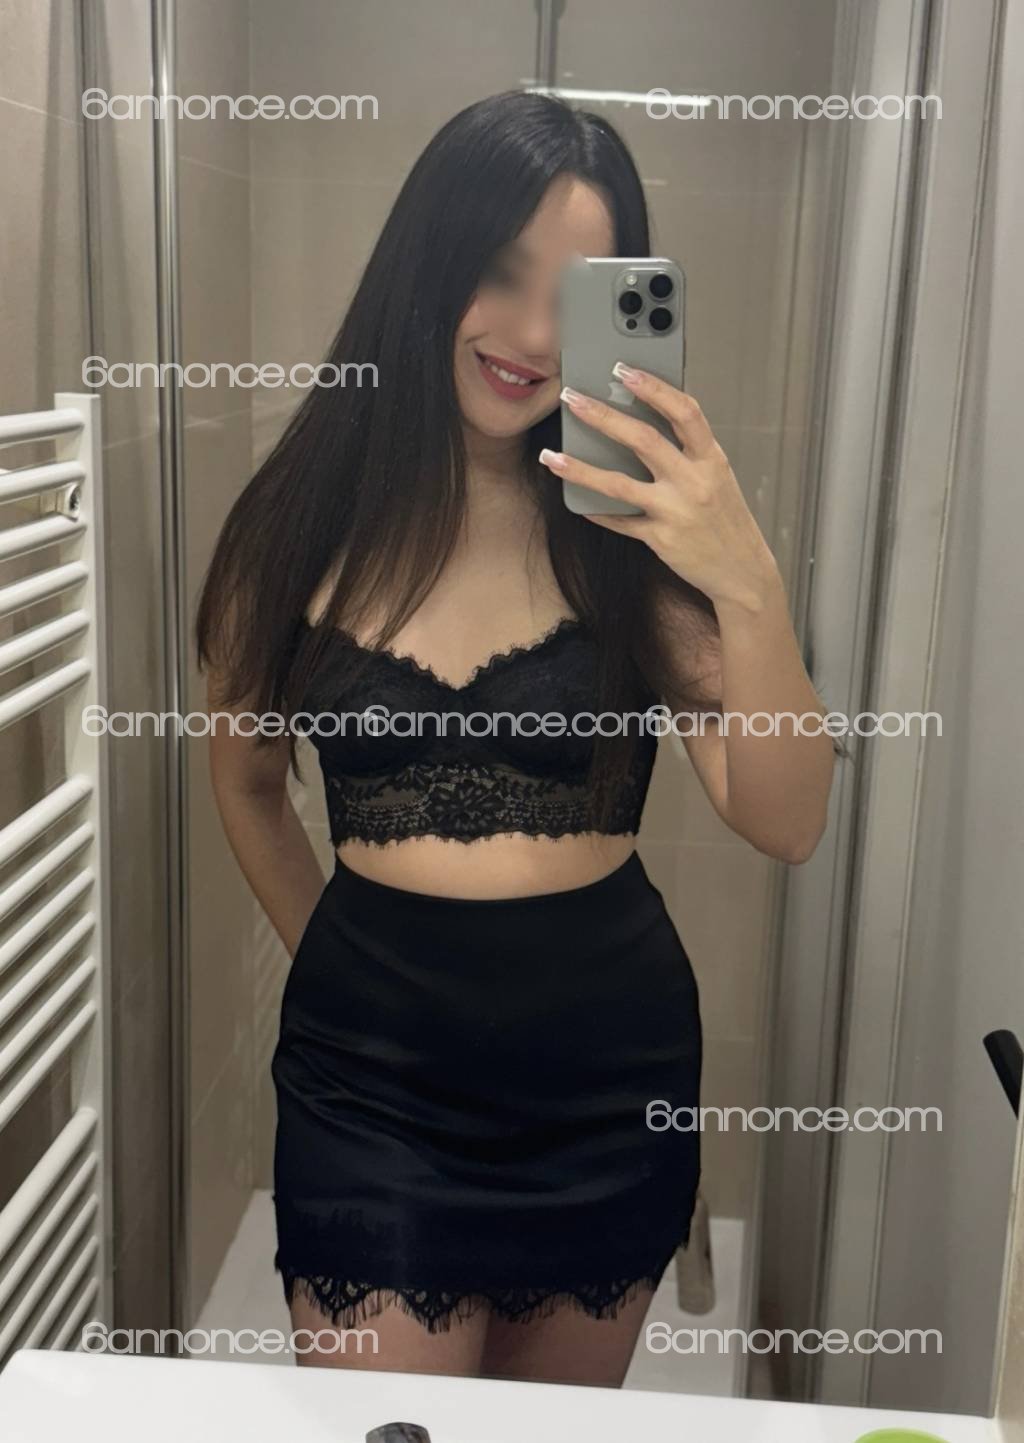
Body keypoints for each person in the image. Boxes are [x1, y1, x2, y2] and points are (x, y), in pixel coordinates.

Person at [195, 89, 836, 1387]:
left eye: (574, 295)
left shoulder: (633, 542)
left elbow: (789, 819)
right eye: (499, 272)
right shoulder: (298, 525)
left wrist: (747, 581)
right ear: (428, 262)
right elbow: (249, 784)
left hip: (605, 1083)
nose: (534, 337)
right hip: (369, 1090)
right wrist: (342, 965)